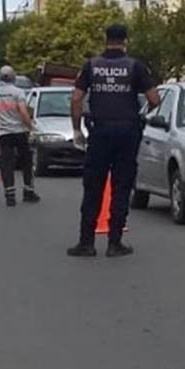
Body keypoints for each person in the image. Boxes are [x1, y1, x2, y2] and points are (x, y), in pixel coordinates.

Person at [67, 24, 160, 258]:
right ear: (125, 41)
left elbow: (76, 99)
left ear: (105, 39)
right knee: (121, 186)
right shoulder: (136, 67)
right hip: (127, 132)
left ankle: (86, 242)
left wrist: (77, 130)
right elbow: (155, 99)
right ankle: (114, 242)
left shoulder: (91, 66)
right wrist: (140, 111)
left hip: (99, 132)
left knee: (93, 186)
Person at [0, 65, 39, 207]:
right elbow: (23, 112)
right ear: (13, 77)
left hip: (5, 134)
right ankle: (28, 191)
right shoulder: (18, 93)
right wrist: (31, 128)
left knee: (6, 164)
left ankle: (10, 195)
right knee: (26, 162)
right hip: (20, 132)